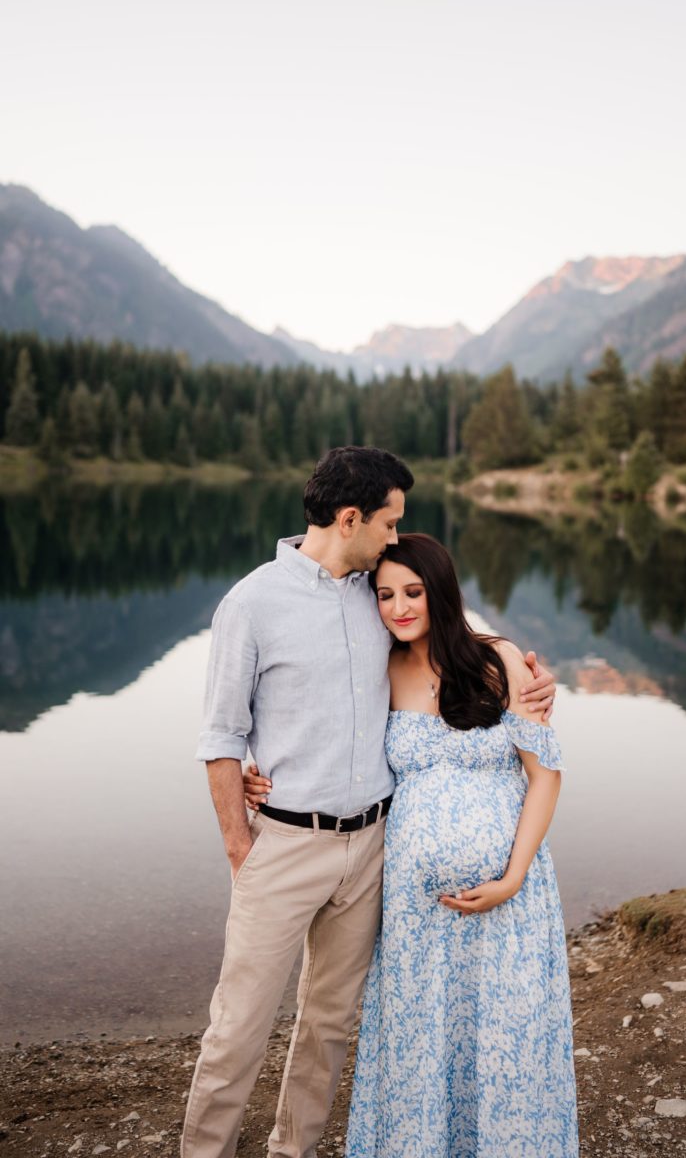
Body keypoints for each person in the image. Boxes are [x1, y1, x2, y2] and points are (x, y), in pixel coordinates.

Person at [182, 447, 556, 1158]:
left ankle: (292, 1150)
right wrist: (239, 846)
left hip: (374, 848)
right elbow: (221, 737)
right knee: (238, 1027)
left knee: (328, 1024)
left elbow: (451, 639)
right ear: (350, 519)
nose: (395, 536)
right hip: (285, 844)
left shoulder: (375, 593)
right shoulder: (251, 604)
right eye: (389, 522)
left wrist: (528, 675)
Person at [249, 533, 578, 1156]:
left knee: (507, 1034)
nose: (398, 608)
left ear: (441, 592)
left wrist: (512, 878)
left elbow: (545, 776)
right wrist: (256, 769)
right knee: (421, 1038)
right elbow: (319, 737)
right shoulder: (380, 668)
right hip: (414, 907)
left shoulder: (498, 659)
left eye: (413, 592)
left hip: (511, 900)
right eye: (384, 595)